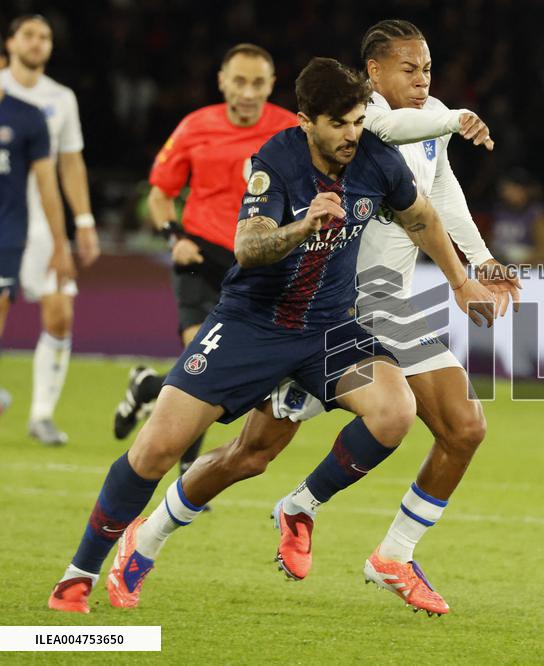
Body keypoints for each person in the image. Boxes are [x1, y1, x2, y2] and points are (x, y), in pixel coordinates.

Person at [47, 56, 497, 615]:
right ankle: (83, 573)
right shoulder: (277, 160)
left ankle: (302, 506)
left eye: (359, 121)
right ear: (308, 121)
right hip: (252, 324)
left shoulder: (375, 159)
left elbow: (423, 216)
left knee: (393, 412)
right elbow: (248, 246)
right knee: (164, 449)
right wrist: (303, 224)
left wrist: (461, 280)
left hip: (329, 328)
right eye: (340, 124)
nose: (353, 135)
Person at [110, 43, 297, 479]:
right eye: (239, 81)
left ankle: (147, 387)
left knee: (221, 376)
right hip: (200, 255)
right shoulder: (195, 127)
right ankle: (188, 469)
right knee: (199, 362)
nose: (248, 92)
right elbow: (160, 192)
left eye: (257, 83)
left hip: (259, 265)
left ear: (271, 84)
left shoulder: (291, 132)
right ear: (222, 81)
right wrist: (172, 236)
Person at [2, 14, 100, 444]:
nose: (38, 43)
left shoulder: (60, 98)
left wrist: (83, 222)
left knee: (60, 312)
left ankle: (41, 414)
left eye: (45, 37)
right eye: (29, 35)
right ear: (11, 42)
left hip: (44, 220)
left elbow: (70, 162)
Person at [1, 78, 75, 419]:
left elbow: (56, 176)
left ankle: (41, 415)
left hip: (25, 227)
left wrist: (69, 237)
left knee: (58, 313)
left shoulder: (36, 111)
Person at [491, 167, 544, 265]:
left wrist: (525, 261)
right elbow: (490, 240)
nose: (506, 193)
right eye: (504, 189)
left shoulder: (535, 214)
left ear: (523, 190)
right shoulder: (500, 211)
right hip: (499, 263)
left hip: (526, 267)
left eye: (511, 189)